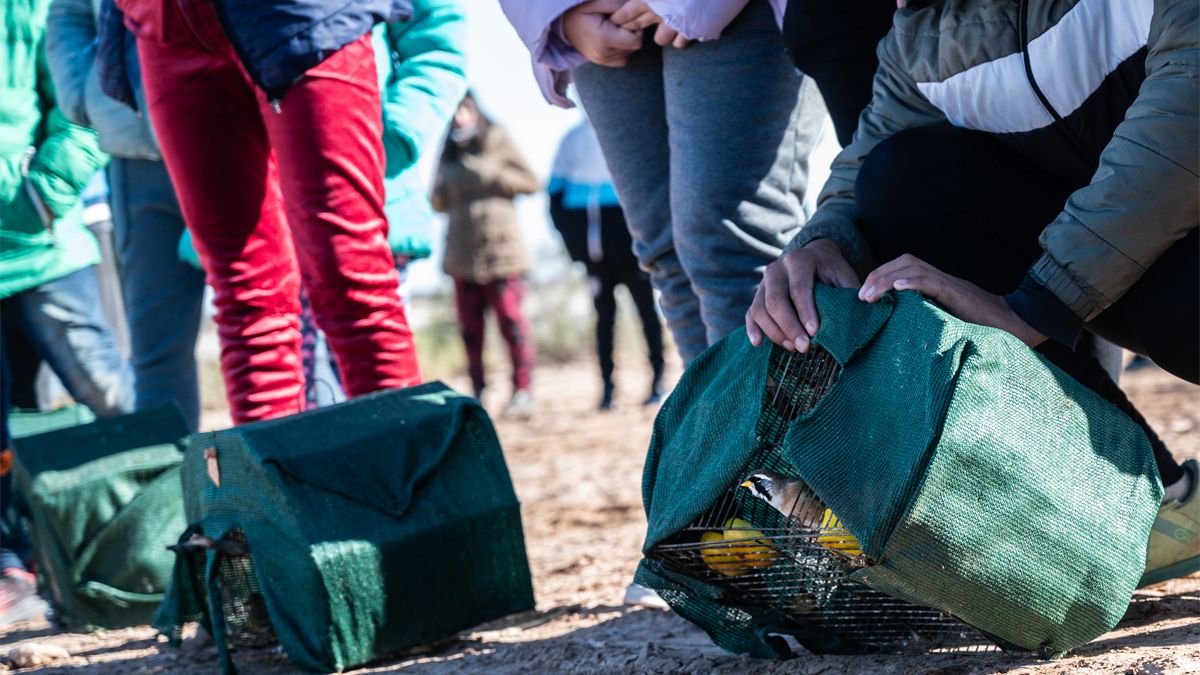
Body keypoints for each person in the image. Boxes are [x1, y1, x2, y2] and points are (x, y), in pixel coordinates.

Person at [745, 0, 1198, 587]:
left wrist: (1040, 304)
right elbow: (867, 163)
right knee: (902, 178)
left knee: (1181, 306)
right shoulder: (919, 37)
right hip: (1127, 266)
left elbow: (1184, 115)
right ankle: (1151, 501)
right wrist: (822, 242)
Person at [107, 0, 423, 424]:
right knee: (246, 298)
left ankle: (408, 459)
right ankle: (273, 466)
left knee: (351, 274)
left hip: (300, 16)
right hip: (167, 28)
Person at [500, 0, 827, 365]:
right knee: (666, 254)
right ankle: (707, 402)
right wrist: (556, 18)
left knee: (732, 244)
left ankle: (766, 401)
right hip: (592, 18)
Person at [1, 0, 134, 625]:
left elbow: (81, 101)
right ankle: (14, 566)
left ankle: (157, 538)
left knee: (110, 398)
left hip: (44, 248)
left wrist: (41, 196)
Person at [296, 0, 469, 409]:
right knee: (289, 401)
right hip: (263, 222)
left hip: (371, 202)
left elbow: (438, 37)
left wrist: (393, 134)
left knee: (377, 393)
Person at [45, 0, 206, 432]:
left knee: (269, 327)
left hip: (233, 140)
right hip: (136, 157)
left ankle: (292, 470)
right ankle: (170, 473)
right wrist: (84, 97)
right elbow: (70, 14)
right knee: (156, 349)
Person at [432, 93, 539, 419]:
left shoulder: (497, 138)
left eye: (464, 109)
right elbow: (436, 200)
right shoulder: (448, 150)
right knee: (470, 329)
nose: (459, 117)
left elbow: (531, 182)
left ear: (475, 110)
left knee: (512, 323)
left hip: (502, 252)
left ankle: (523, 390)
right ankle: (478, 391)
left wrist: (490, 175)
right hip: (462, 255)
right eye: (454, 111)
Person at [548, 116, 665, 410]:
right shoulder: (572, 140)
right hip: (595, 256)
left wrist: (648, 240)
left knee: (647, 313)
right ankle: (607, 390)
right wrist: (576, 245)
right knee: (604, 319)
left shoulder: (627, 127)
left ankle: (659, 383)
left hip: (635, 252)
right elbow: (554, 197)